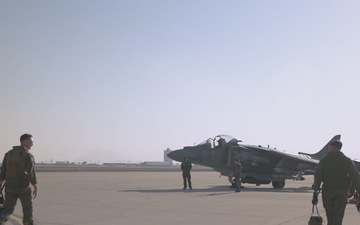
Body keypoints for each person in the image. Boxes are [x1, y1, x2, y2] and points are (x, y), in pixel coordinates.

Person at [312, 140, 360, 225]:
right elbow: (355, 176)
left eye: (330, 146)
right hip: (341, 192)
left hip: (327, 192)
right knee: (338, 216)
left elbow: (318, 176)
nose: (328, 147)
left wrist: (315, 193)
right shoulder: (346, 160)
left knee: (329, 216)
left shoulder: (324, 160)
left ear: (333, 147)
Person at [0, 133, 38, 225]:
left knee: (7, 209)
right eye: (31, 141)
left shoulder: (8, 154)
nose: (32, 144)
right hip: (23, 188)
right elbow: (31, 172)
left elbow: (3, 170)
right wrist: (35, 186)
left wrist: (0, 184)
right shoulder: (28, 155)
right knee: (27, 210)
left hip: (9, 188)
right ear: (24, 141)